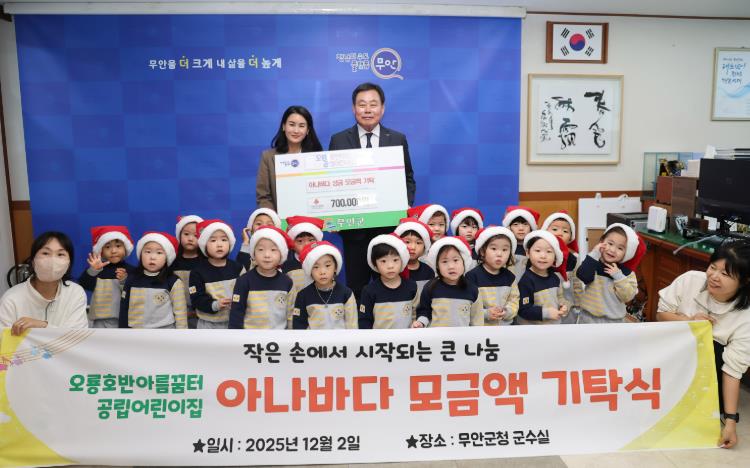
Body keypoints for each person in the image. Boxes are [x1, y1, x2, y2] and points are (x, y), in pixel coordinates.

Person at [657, 240, 750, 449]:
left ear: (744, 281)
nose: (714, 276)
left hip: (705, 377)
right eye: (712, 267)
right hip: (670, 356)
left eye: (725, 274)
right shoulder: (690, 280)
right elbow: (660, 315)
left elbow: (732, 370)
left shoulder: (745, 317)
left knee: (713, 345)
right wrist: (688, 322)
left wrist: (730, 421)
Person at [329, 82, 416, 300]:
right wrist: (332, 216)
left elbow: (408, 178)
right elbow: (332, 182)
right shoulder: (339, 140)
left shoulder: (397, 139)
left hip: (387, 227)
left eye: (373, 104)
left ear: (382, 108)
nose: (367, 110)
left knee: (387, 284)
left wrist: (404, 206)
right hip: (353, 230)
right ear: (353, 108)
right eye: (362, 104)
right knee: (356, 287)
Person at [0, 232, 87, 334]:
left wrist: (43, 325)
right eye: (45, 253)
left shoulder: (75, 293)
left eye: (60, 254)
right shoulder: (11, 299)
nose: (52, 260)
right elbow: (3, 338)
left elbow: (78, 336)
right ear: (33, 261)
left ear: (68, 264)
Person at [256, 105, 323, 211]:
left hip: (311, 219)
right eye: (292, 125)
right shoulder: (268, 157)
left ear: (308, 130)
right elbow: (263, 197)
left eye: (301, 126)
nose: (296, 130)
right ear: (283, 126)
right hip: (278, 220)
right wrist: (275, 219)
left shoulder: (317, 157)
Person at [576, 223, 645, 324]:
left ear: (627, 253)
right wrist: (594, 254)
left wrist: (618, 277)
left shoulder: (627, 273)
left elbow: (627, 297)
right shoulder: (593, 262)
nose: (612, 250)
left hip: (614, 321)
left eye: (620, 248)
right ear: (601, 242)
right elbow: (583, 276)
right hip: (587, 317)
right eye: (610, 243)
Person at [229, 226, 295, 330]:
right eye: (260, 249)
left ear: (281, 254)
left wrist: (293, 335)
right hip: (251, 338)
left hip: (279, 338)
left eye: (273, 250)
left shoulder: (287, 282)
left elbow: (291, 314)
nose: (267, 255)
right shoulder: (244, 281)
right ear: (253, 253)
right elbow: (236, 314)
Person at [120, 232, 187, 329]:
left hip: (164, 332)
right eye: (148, 252)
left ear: (167, 257)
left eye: (159, 253)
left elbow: (180, 312)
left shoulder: (174, 282)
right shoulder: (132, 279)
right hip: (136, 332)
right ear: (141, 254)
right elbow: (124, 307)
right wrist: (122, 331)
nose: (152, 257)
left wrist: (182, 334)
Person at [412, 236, 483, 328]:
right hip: (436, 336)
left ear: (464, 262)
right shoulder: (430, 287)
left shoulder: (472, 290)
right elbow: (424, 311)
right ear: (437, 266)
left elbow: (477, 320)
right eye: (444, 261)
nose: (451, 266)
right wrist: (421, 323)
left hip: (463, 337)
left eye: (456, 260)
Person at [189, 219, 244, 329]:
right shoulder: (197, 272)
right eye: (213, 240)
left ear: (230, 243)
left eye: (224, 240)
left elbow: (245, 293)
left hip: (235, 322)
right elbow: (196, 299)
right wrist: (215, 305)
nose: (219, 245)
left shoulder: (238, 268)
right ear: (205, 245)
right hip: (208, 324)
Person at [78, 226, 135, 328]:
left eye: (118, 246)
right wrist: (93, 270)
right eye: (107, 247)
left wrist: (124, 281)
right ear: (101, 251)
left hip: (124, 318)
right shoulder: (98, 269)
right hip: (100, 320)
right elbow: (84, 285)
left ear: (126, 248)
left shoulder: (131, 271)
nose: (113, 251)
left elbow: (135, 295)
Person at [292, 241, 358, 330]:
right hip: (313, 339)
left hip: (341, 339)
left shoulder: (346, 294)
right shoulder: (303, 295)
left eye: (327, 265)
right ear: (309, 270)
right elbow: (299, 326)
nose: (322, 272)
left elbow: (352, 325)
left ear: (335, 268)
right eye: (316, 267)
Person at [359, 234, 417, 329]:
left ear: (402, 260)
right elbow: (364, 320)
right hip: (380, 338)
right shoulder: (369, 291)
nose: (390, 266)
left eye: (395, 260)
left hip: (407, 337)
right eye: (383, 261)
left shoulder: (411, 286)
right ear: (375, 264)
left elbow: (419, 311)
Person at [466, 226, 519, 326]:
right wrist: (486, 313)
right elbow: (467, 306)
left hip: (506, 328)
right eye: (494, 248)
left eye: (505, 249)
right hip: (482, 329)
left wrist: (506, 312)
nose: (499, 254)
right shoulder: (472, 276)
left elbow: (514, 301)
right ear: (482, 251)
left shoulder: (510, 277)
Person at [516, 230, 570, 325]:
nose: (543, 256)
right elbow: (523, 310)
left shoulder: (555, 278)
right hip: (533, 330)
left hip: (553, 327)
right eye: (537, 251)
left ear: (555, 256)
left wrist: (564, 305)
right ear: (528, 253)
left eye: (549, 251)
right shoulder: (526, 280)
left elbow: (560, 298)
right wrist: (546, 313)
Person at [542, 210, 581, 323]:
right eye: (555, 229)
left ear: (570, 237)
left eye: (565, 231)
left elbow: (577, 283)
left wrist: (578, 303)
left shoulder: (573, 259)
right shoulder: (540, 257)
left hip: (567, 308)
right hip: (544, 308)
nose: (560, 233)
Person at [172, 215, 204, 329]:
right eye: (186, 234)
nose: (190, 239)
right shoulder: (172, 262)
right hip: (178, 315)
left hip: (203, 315)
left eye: (196, 235)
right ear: (179, 235)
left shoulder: (206, 262)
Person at [394, 218, 435, 301]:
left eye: (418, 243)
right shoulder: (393, 269)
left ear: (425, 247)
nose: (412, 247)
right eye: (407, 242)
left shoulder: (428, 271)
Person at [502, 206, 540, 280]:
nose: (521, 228)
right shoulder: (505, 247)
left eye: (525, 224)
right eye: (516, 224)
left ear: (531, 228)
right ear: (509, 227)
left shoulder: (535, 248)